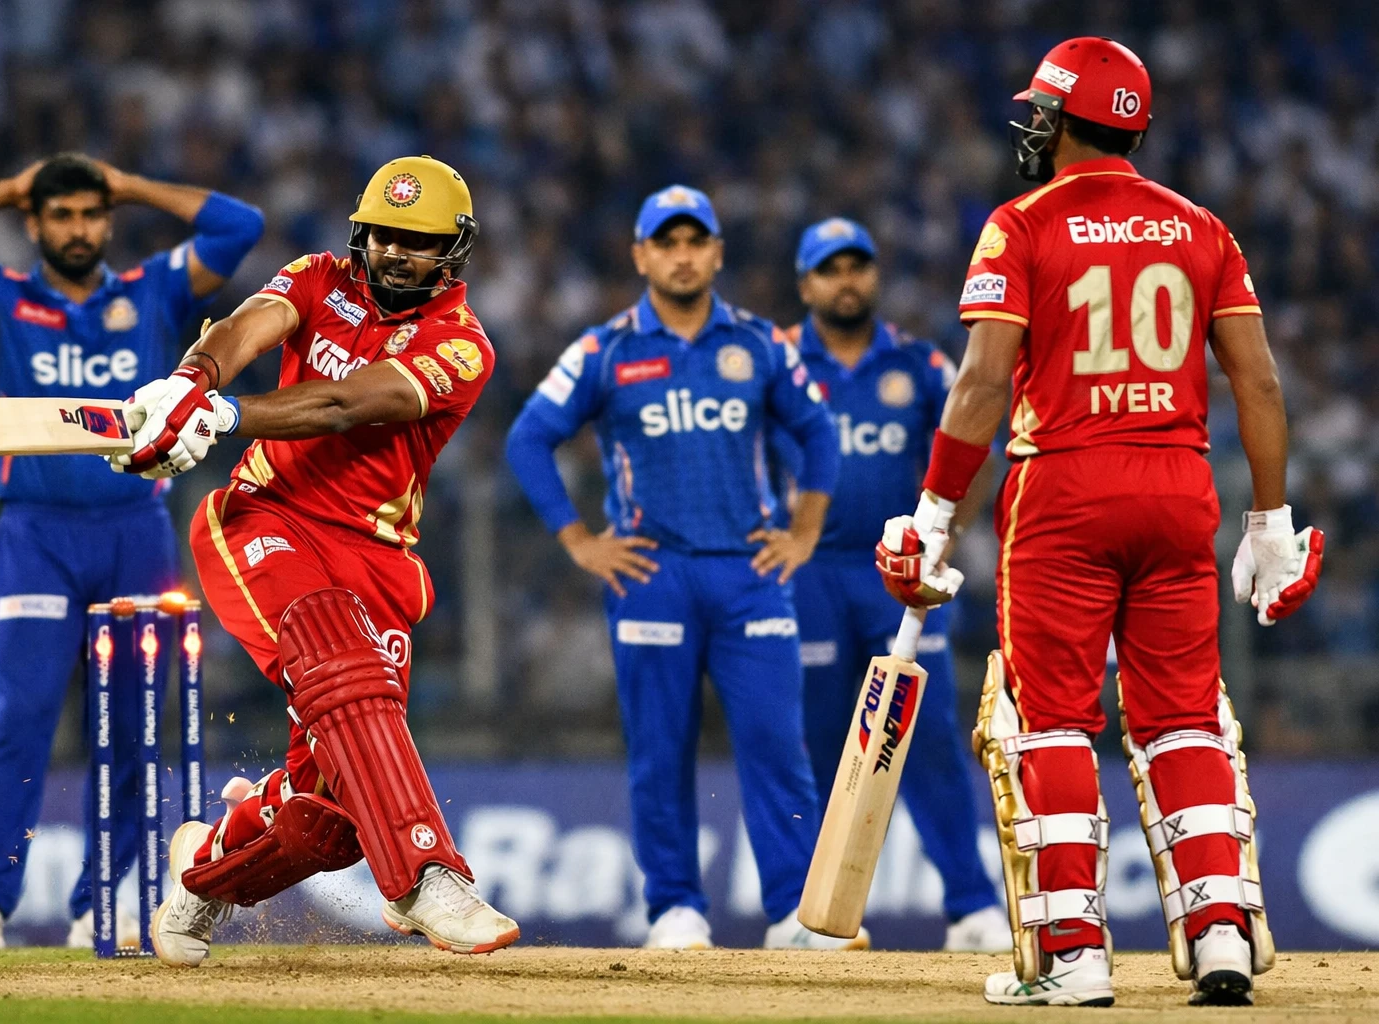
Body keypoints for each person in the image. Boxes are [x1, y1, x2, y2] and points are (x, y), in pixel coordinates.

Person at [874, 38, 1324, 1006]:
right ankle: (1218, 935)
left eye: (1040, 110)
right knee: (1182, 717)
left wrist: (933, 514)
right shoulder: (1203, 227)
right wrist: (1271, 520)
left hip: (1065, 490)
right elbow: (1259, 380)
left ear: (1059, 119)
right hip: (1178, 488)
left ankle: (1073, 955)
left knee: (1052, 723)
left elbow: (983, 383)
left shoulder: (1018, 224)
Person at [107, 155, 519, 966]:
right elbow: (244, 327)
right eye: (388, 236)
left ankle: (203, 873)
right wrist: (191, 380)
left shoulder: (464, 346)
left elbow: (345, 404)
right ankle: (425, 873)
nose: (400, 255)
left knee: (324, 822)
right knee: (342, 659)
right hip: (262, 519)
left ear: (454, 252)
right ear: (363, 233)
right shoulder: (319, 276)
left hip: (374, 559)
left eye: (422, 242)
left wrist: (221, 412)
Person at [0, 154, 263, 950]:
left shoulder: (153, 291)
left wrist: (134, 183)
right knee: (17, 714)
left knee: (131, 727)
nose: (79, 228)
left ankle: (107, 899)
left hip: (136, 530)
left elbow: (240, 226)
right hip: (35, 536)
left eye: (93, 213)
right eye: (61, 215)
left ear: (109, 218)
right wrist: (5, 185)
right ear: (35, 222)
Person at [505, 186, 862, 951]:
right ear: (640, 256)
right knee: (659, 749)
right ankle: (675, 909)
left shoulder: (763, 344)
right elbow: (528, 438)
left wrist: (804, 532)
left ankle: (795, 915)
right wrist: (578, 541)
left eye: (695, 241)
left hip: (751, 574)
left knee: (777, 744)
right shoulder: (605, 349)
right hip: (650, 574)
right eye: (665, 243)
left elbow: (819, 432)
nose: (682, 254)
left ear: (717, 252)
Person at [770, 217, 1008, 953]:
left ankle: (972, 909)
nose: (847, 280)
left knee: (927, 738)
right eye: (830, 268)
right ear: (806, 284)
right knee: (809, 739)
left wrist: (947, 535)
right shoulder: (774, 359)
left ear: (873, 276)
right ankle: (806, 915)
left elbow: (979, 447)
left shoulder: (919, 361)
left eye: (858, 266)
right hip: (806, 577)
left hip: (896, 578)